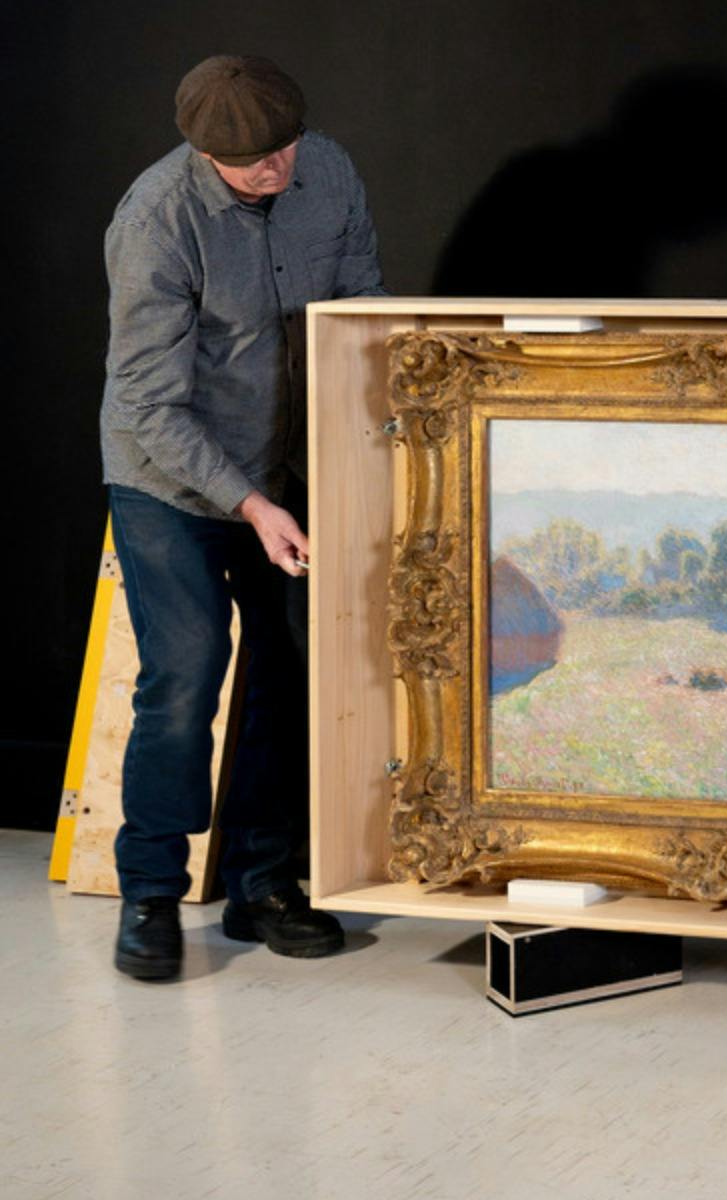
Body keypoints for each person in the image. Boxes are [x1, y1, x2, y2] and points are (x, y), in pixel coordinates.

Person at [100, 55, 384, 980]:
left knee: (293, 670)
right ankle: (150, 894)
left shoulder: (326, 168)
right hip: (170, 481)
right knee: (186, 675)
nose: (277, 169)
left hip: (289, 465)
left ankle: (263, 885)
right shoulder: (155, 222)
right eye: (253, 161)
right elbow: (149, 404)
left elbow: (361, 305)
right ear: (203, 153)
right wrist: (252, 506)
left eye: (286, 148)